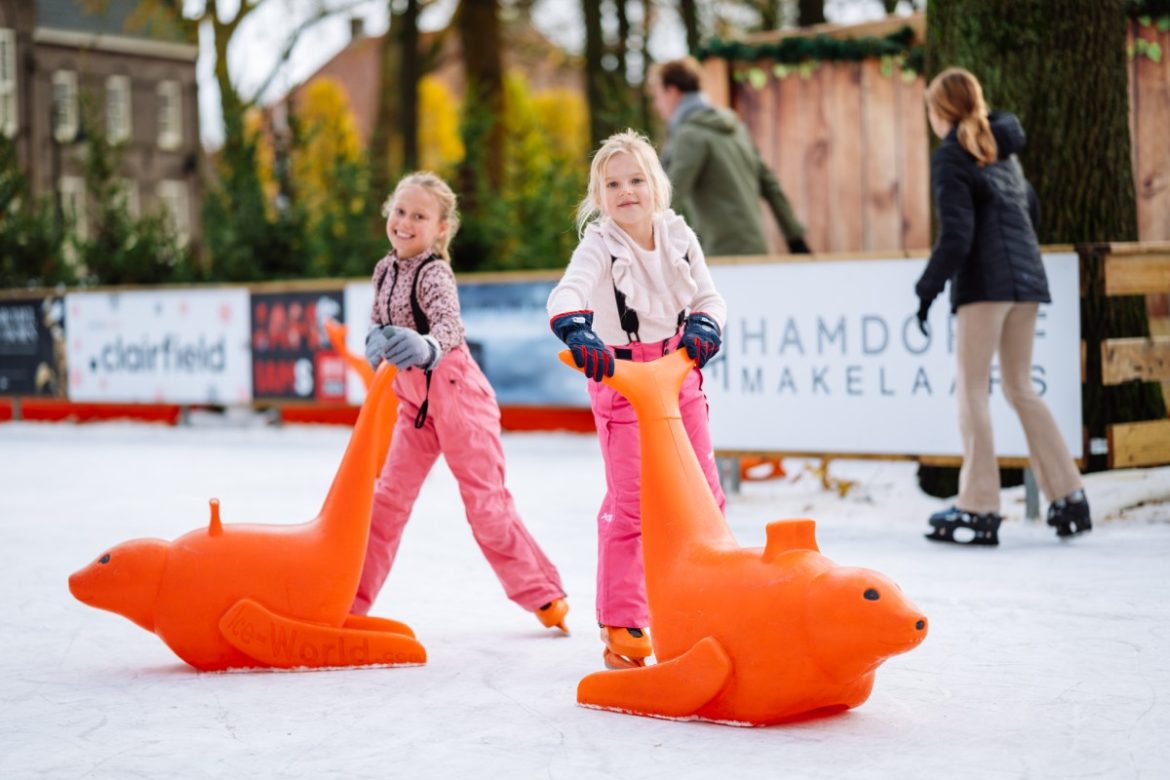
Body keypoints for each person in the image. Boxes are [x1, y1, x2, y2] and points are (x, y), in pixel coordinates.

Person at [354, 171, 570, 633]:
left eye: (419, 216)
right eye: (400, 211)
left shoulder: (434, 272)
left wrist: (426, 345)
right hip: (415, 407)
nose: (405, 223)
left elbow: (450, 326)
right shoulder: (384, 270)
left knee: (485, 507)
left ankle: (543, 593)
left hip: (460, 400)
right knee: (386, 501)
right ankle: (352, 603)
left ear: (440, 228)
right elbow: (378, 320)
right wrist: (374, 339)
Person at [547, 130, 727, 668]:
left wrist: (705, 325)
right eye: (612, 184)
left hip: (677, 374)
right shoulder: (599, 245)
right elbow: (568, 291)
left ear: (656, 186)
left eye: (636, 180)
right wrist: (576, 329)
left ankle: (715, 601)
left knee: (704, 494)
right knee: (632, 503)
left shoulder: (679, 237)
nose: (626, 191)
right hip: (621, 378)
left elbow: (709, 296)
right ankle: (623, 622)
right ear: (598, 196)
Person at [915, 68, 1090, 547]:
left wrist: (927, 289)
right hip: (1027, 281)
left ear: (941, 111)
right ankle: (1069, 495)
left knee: (973, 390)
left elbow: (957, 236)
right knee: (1020, 387)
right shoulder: (1003, 151)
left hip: (986, 287)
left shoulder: (952, 154)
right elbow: (1030, 212)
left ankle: (979, 506)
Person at [649, 56, 810, 257]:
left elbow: (668, 194)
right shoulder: (735, 128)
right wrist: (796, 239)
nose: (656, 105)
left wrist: (637, 241)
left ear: (672, 91)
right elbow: (771, 185)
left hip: (723, 254)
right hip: (755, 248)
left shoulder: (689, 135)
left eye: (657, 96)